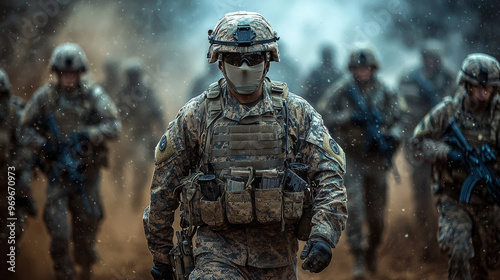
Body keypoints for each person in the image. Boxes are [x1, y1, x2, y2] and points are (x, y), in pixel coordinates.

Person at [143, 11, 348, 280]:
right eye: (232, 58)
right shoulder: (197, 115)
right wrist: (161, 255)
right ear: (219, 63)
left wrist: (324, 233)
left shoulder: (295, 113)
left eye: (252, 58)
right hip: (216, 254)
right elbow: (164, 188)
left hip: (278, 258)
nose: (243, 66)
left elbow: (330, 176)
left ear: (267, 62)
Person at [20, 42, 121, 280]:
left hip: (87, 175)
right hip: (58, 173)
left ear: (79, 73)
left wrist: (89, 134)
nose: (68, 78)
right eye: (63, 74)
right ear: (56, 74)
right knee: (58, 230)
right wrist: (45, 145)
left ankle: (85, 265)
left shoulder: (93, 95)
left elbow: (114, 126)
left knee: (88, 224)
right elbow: (23, 130)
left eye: (72, 73)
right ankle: (63, 273)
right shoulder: (45, 98)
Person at [410, 53, 500, 279]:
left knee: (487, 261)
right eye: (478, 87)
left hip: (490, 200)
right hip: (454, 197)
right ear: (466, 85)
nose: (484, 92)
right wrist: (448, 153)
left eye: (489, 88)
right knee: (460, 250)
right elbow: (418, 143)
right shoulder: (448, 111)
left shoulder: (497, 115)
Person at [318, 42, 402, 279]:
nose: (363, 72)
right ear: (352, 69)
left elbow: (400, 116)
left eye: (367, 68)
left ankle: (372, 250)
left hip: (376, 160)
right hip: (352, 158)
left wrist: (386, 130)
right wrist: (349, 117)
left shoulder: (386, 90)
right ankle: (358, 256)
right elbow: (322, 114)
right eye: (358, 68)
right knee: (354, 208)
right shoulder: (342, 90)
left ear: (374, 68)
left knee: (377, 218)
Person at [397, 39, 457, 261]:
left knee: (448, 190)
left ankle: (449, 238)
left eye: (435, 58)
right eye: (428, 57)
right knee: (421, 191)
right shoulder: (408, 78)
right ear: (422, 57)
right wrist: (407, 141)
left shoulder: (451, 78)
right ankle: (426, 239)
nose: (431, 62)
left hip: (446, 145)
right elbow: (400, 111)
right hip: (418, 144)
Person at [112, 57, 166, 209]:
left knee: (141, 166)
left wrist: (162, 133)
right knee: (116, 162)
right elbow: (114, 113)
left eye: (135, 74)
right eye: (130, 75)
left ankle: (136, 193)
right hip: (126, 134)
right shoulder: (122, 92)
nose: (133, 78)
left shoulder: (148, 92)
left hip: (143, 136)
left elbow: (158, 112)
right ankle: (118, 191)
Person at [0, 68, 37, 279]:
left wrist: (11, 170)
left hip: (10, 181)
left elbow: (25, 148)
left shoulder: (14, 114)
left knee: (11, 237)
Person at [301, 44, 341, 109]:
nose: (327, 59)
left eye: (328, 57)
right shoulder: (315, 73)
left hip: (334, 110)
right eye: (326, 57)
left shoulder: (337, 74)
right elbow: (306, 92)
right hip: (316, 107)